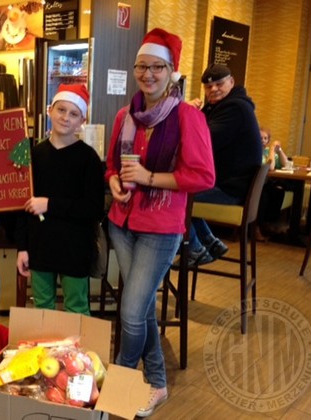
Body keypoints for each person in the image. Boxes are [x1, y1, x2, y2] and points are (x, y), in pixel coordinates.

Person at [105, 28, 215, 417]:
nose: (148, 74)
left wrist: (149, 177)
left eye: (157, 67)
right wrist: (117, 182)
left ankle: (119, 382)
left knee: (132, 311)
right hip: (121, 222)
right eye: (141, 66)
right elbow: (111, 168)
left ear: (172, 72)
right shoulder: (124, 115)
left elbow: (203, 176)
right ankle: (157, 382)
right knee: (142, 308)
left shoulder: (188, 117)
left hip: (161, 228)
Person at [15, 84, 105, 316]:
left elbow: (93, 208)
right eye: (61, 110)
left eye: (73, 114)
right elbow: (21, 207)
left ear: (81, 120)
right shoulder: (33, 155)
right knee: (42, 308)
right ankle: (44, 354)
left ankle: (78, 354)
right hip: (39, 245)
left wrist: (49, 204)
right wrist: (22, 248)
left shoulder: (89, 159)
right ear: (49, 111)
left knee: (77, 308)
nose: (65, 117)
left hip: (75, 247)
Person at [187, 63, 262, 267]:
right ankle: (211, 243)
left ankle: (195, 248)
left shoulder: (234, 108)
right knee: (181, 191)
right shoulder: (225, 106)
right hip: (235, 186)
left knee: (176, 197)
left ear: (231, 82)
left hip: (230, 190)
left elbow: (203, 141)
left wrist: (189, 114)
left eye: (219, 84)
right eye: (208, 87)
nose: (213, 89)